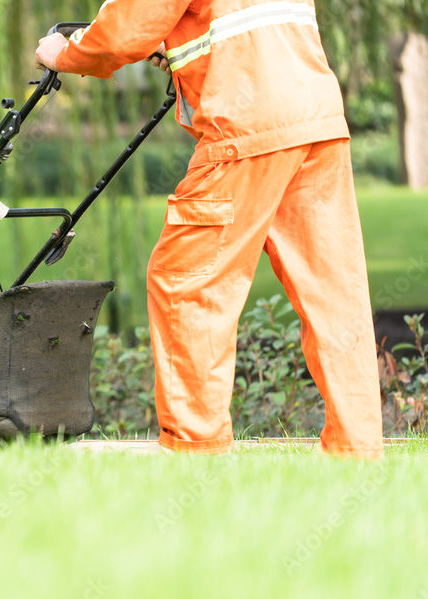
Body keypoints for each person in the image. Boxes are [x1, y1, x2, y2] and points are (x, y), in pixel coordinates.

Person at [34, 0, 384, 458]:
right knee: (334, 291)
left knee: (187, 280)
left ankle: (196, 446)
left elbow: (126, 28)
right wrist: (176, 46)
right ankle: (357, 449)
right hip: (317, 119)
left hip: (248, 128)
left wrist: (65, 53)